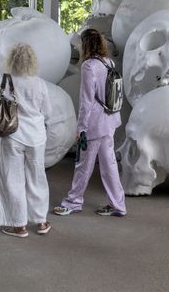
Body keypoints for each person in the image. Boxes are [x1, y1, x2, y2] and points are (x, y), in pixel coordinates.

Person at [53, 29, 126, 217]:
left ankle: (73, 202)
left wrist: (81, 128)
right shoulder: (108, 62)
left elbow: (86, 101)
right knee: (109, 165)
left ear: (86, 45)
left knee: (83, 165)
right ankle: (118, 204)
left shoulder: (88, 66)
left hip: (93, 125)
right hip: (109, 121)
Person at [0, 43, 53, 238]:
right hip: (36, 137)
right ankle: (42, 221)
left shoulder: (4, 80)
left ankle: (19, 225)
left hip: (12, 135)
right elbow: (48, 113)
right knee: (37, 177)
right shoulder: (40, 83)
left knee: (13, 179)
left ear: (11, 59)